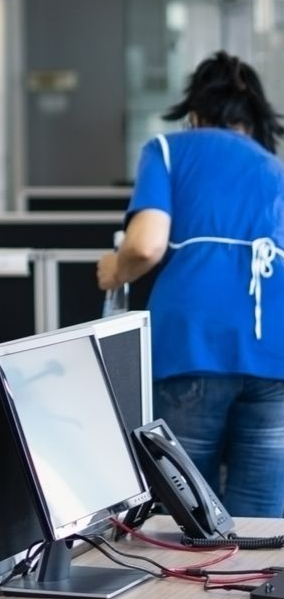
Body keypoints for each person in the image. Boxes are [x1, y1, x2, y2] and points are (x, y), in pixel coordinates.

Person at [97, 50, 284, 519]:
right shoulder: (274, 168)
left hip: (194, 342)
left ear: (194, 112)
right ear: (254, 118)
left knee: (183, 513)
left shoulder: (167, 150)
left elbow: (145, 246)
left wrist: (114, 271)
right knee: (261, 518)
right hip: (275, 352)